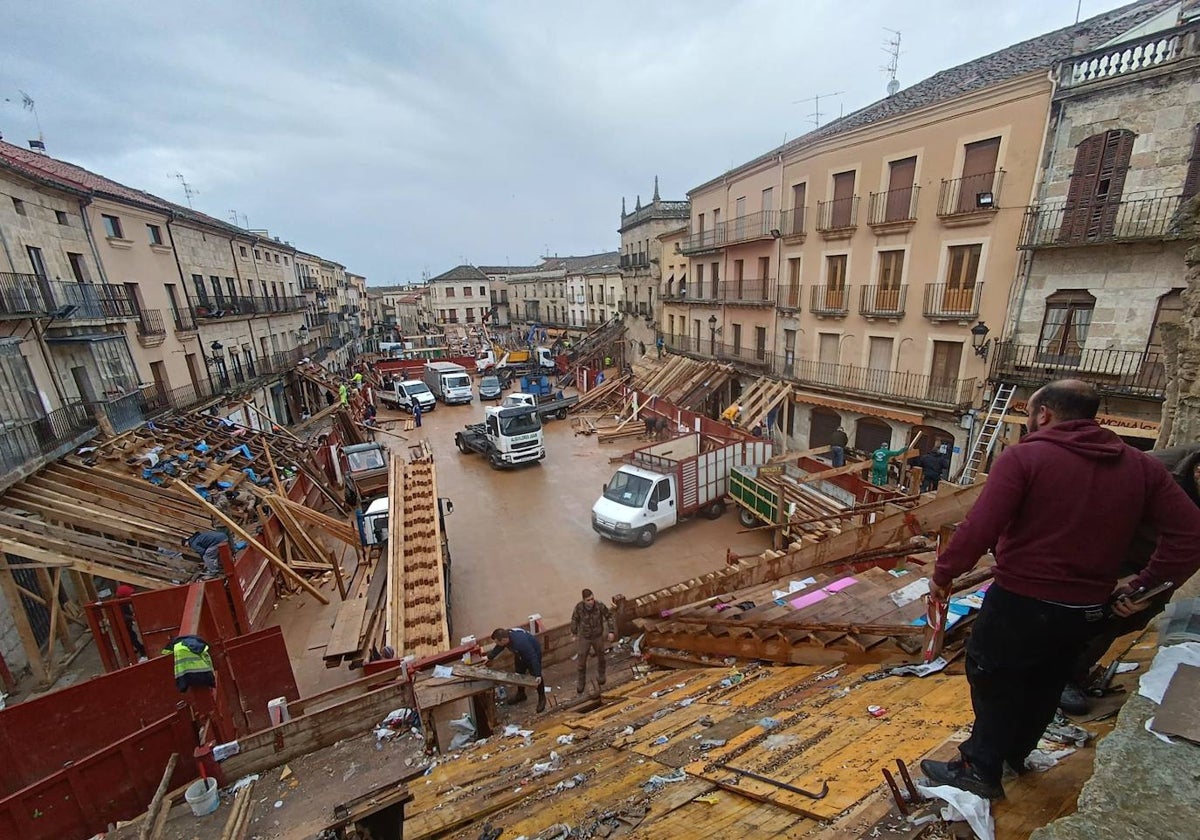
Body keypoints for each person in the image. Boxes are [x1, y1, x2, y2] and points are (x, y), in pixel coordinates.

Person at [920, 380, 1200, 799]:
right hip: (1086, 608)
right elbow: (1191, 534)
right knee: (1046, 681)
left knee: (993, 675)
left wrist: (943, 575)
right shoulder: (1142, 467)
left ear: (1044, 414)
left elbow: (980, 528)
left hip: (1020, 599)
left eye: (1031, 414)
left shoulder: (1024, 457)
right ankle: (1016, 753)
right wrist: (1143, 588)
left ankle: (980, 767)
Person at [1060, 444, 1200, 713]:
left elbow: (1189, 552)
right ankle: (1061, 675)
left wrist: (1147, 586)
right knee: (1098, 608)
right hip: (1114, 548)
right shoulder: (1150, 471)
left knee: (1132, 612)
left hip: (1160, 561)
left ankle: (1070, 669)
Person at [486, 627, 546, 712]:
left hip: (533, 653)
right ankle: (521, 694)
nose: (497, 644)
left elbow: (533, 657)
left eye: (497, 642)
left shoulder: (520, 642)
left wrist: (538, 674)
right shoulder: (506, 637)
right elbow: (499, 647)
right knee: (519, 672)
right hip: (519, 654)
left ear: (503, 640)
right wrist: (489, 657)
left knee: (536, 678)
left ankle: (542, 698)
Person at [571, 589, 616, 694]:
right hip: (585, 637)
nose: (591, 601)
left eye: (592, 599)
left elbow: (609, 616)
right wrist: (574, 633)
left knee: (601, 656)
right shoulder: (579, 608)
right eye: (588, 600)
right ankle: (581, 681)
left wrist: (611, 631)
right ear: (584, 600)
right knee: (581, 660)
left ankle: (601, 675)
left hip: (597, 636)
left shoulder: (599, 605)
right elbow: (574, 619)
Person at [115, 583, 147, 661]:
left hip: (127, 625)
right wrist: (132, 618)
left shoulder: (124, 604)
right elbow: (122, 616)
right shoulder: (119, 605)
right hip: (123, 626)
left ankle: (137, 651)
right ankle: (134, 653)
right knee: (130, 638)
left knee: (132, 637)